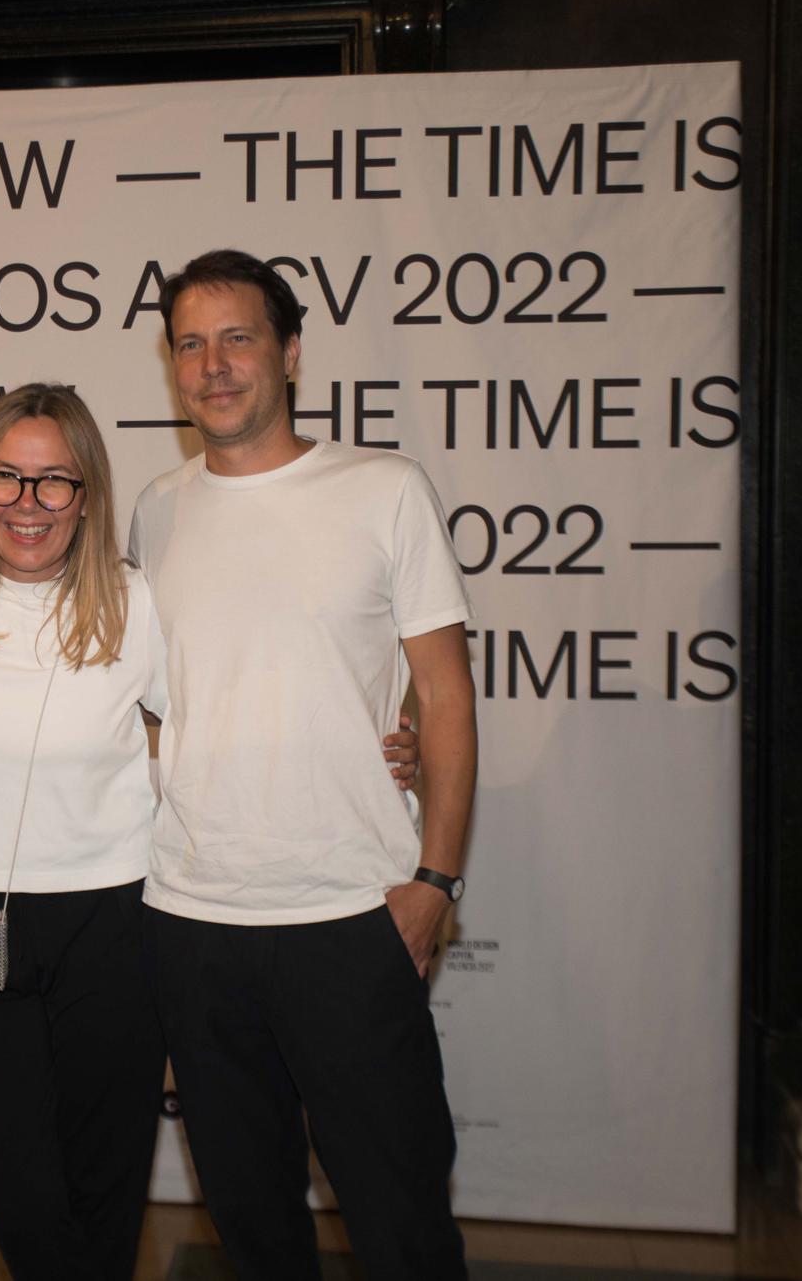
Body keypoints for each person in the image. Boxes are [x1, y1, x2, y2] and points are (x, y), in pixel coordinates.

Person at [129, 249, 478, 1279]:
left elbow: (447, 696)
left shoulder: (382, 489)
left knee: (401, 1217)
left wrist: (435, 882)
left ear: (287, 352)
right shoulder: (154, 508)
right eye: (189, 342)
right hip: (190, 921)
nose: (213, 363)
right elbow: (156, 711)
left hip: (351, 914)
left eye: (236, 336)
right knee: (251, 1223)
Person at [0, 383, 167, 1279]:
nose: (27, 504)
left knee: (105, 1184)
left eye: (54, 482)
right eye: (4, 478)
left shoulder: (135, 602)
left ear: (87, 495)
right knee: (20, 1192)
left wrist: (382, 748)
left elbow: (219, 726)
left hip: (112, 920)